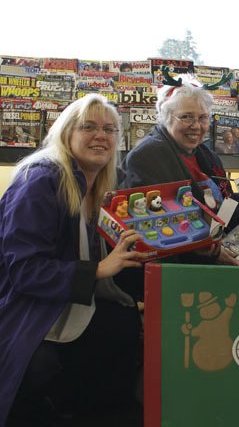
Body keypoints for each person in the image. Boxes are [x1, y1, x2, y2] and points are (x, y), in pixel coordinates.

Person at [0, 94, 146, 426]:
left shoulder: (98, 186)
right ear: (67, 133)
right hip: (24, 307)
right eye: (89, 127)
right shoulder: (40, 179)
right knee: (116, 335)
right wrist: (97, 270)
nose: (101, 135)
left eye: (109, 129)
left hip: (60, 300)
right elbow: (24, 270)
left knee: (125, 324)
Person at [118, 76, 239, 266]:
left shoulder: (206, 153)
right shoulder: (147, 157)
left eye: (202, 118)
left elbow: (225, 197)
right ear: (166, 117)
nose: (196, 126)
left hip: (214, 251)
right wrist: (212, 253)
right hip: (176, 269)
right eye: (186, 117)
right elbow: (154, 227)